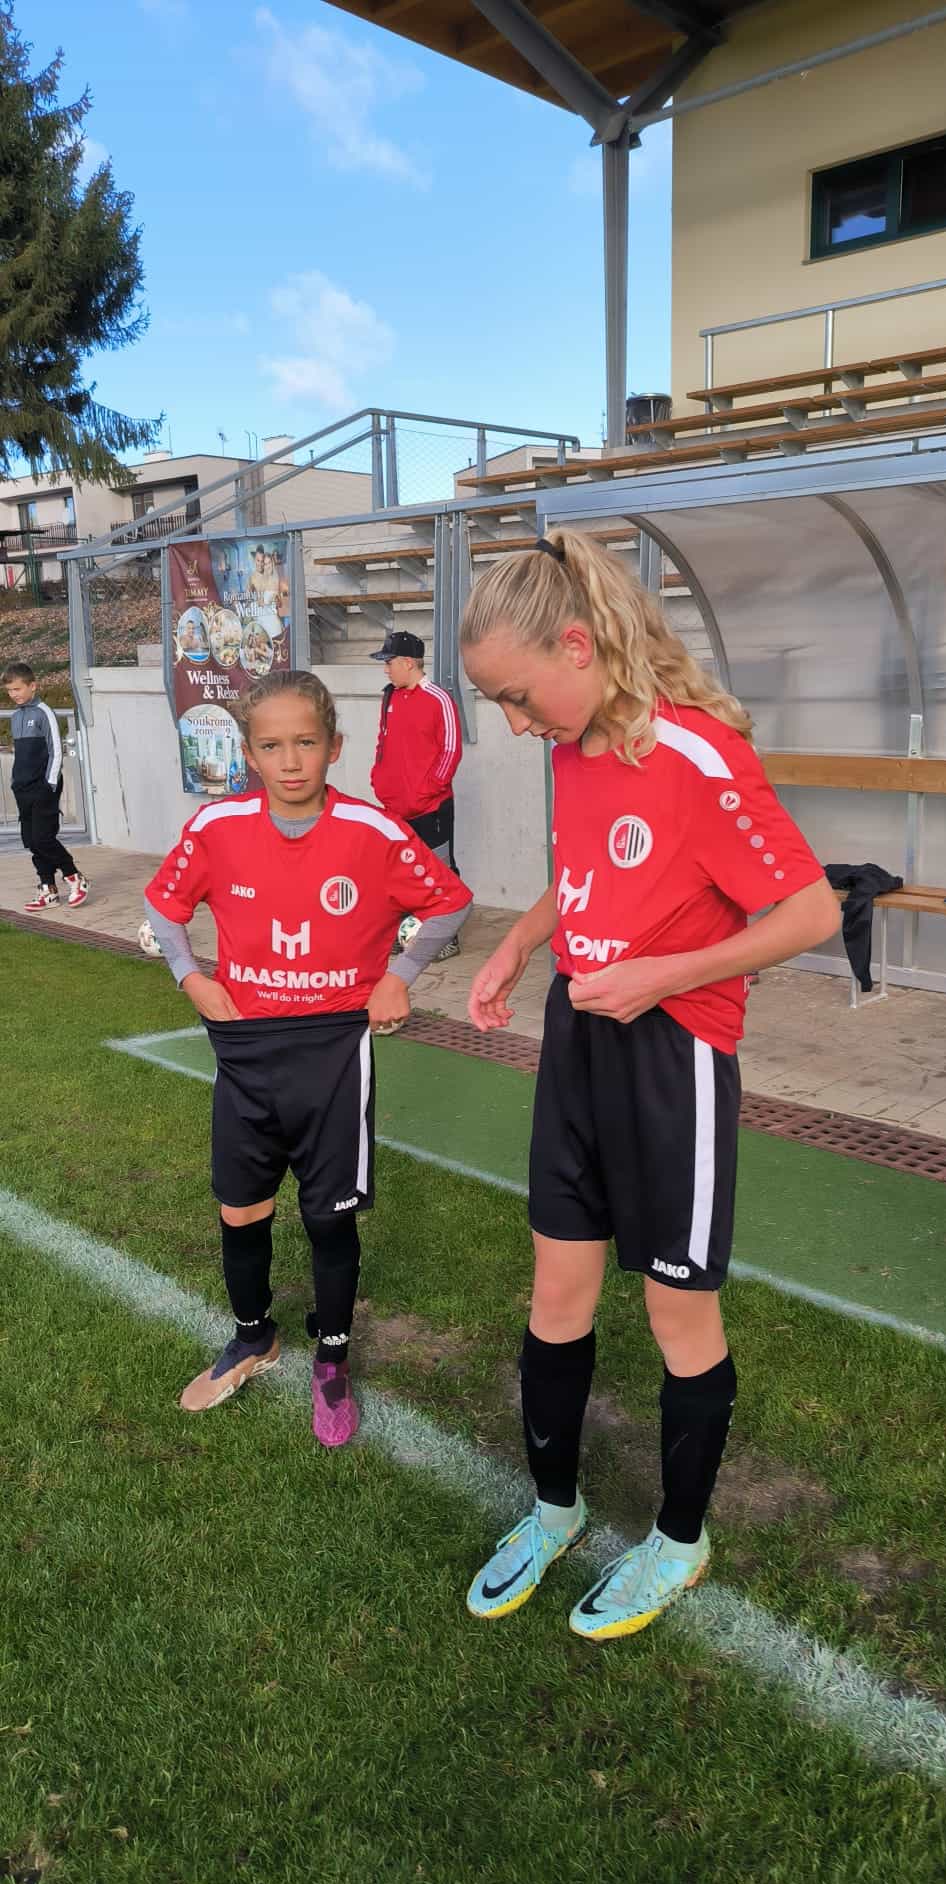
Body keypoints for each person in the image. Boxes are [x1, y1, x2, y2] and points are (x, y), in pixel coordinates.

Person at [459, 532, 840, 1642]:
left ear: (577, 647)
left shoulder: (697, 753)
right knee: (556, 1295)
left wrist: (661, 976)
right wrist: (521, 942)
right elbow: (583, 875)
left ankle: (679, 1540)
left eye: (518, 696)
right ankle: (554, 1510)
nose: (516, 724)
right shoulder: (577, 742)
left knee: (677, 1311)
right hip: (579, 1038)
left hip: (674, 1057)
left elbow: (811, 911)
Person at [143, 671, 472, 1446]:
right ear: (249, 753)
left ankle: (332, 1357)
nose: (290, 761)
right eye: (271, 745)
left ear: (334, 745)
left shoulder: (372, 830)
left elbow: (449, 901)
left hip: (334, 1052)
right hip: (246, 1050)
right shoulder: (217, 826)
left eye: (306, 742)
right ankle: (253, 1338)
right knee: (240, 1207)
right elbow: (163, 903)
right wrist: (191, 976)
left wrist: (400, 974)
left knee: (329, 1217)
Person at [370, 631, 463, 960]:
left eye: (390, 661)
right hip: (395, 806)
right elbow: (383, 742)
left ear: (408, 662)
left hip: (431, 807)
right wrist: (379, 780)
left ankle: (447, 938)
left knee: (439, 871)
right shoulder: (390, 697)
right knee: (403, 871)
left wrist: (428, 789)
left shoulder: (439, 699)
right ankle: (409, 933)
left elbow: (451, 750)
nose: (386, 669)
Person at [2, 663, 89, 910]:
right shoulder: (16, 717)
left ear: (33, 686)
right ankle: (48, 889)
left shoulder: (43, 712)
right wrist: (16, 783)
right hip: (23, 788)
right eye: (10, 690)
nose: (14, 694)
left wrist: (49, 784)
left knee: (43, 838)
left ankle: (74, 876)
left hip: (43, 787)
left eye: (18, 689)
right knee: (31, 840)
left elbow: (56, 751)